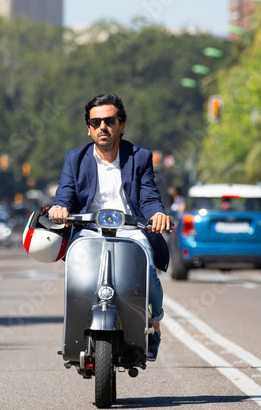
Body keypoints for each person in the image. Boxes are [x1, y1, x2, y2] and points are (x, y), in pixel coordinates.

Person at [48, 93, 171, 361]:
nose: (103, 127)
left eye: (110, 120)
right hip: (88, 231)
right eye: (96, 122)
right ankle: (77, 333)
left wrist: (158, 214)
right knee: (78, 280)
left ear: (121, 125)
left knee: (148, 271)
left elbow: (149, 197)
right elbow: (65, 193)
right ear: (89, 129)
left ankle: (154, 324)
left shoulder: (139, 158)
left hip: (131, 229)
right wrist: (60, 208)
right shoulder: (75, 159)